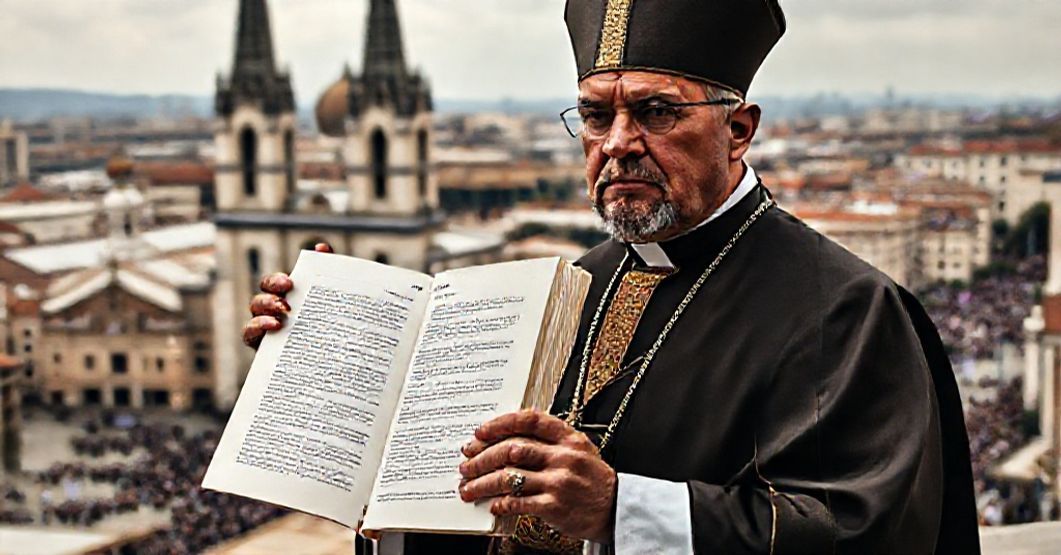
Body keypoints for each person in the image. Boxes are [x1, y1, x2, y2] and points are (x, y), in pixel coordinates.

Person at [243, 1, 979, 553]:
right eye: (595, 116)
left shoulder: (844, 309)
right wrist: (338, 370)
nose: (619, 143)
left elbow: (866, 534)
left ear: (738, 128)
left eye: (656, 111)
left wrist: (622, 509)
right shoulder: (569, 286)